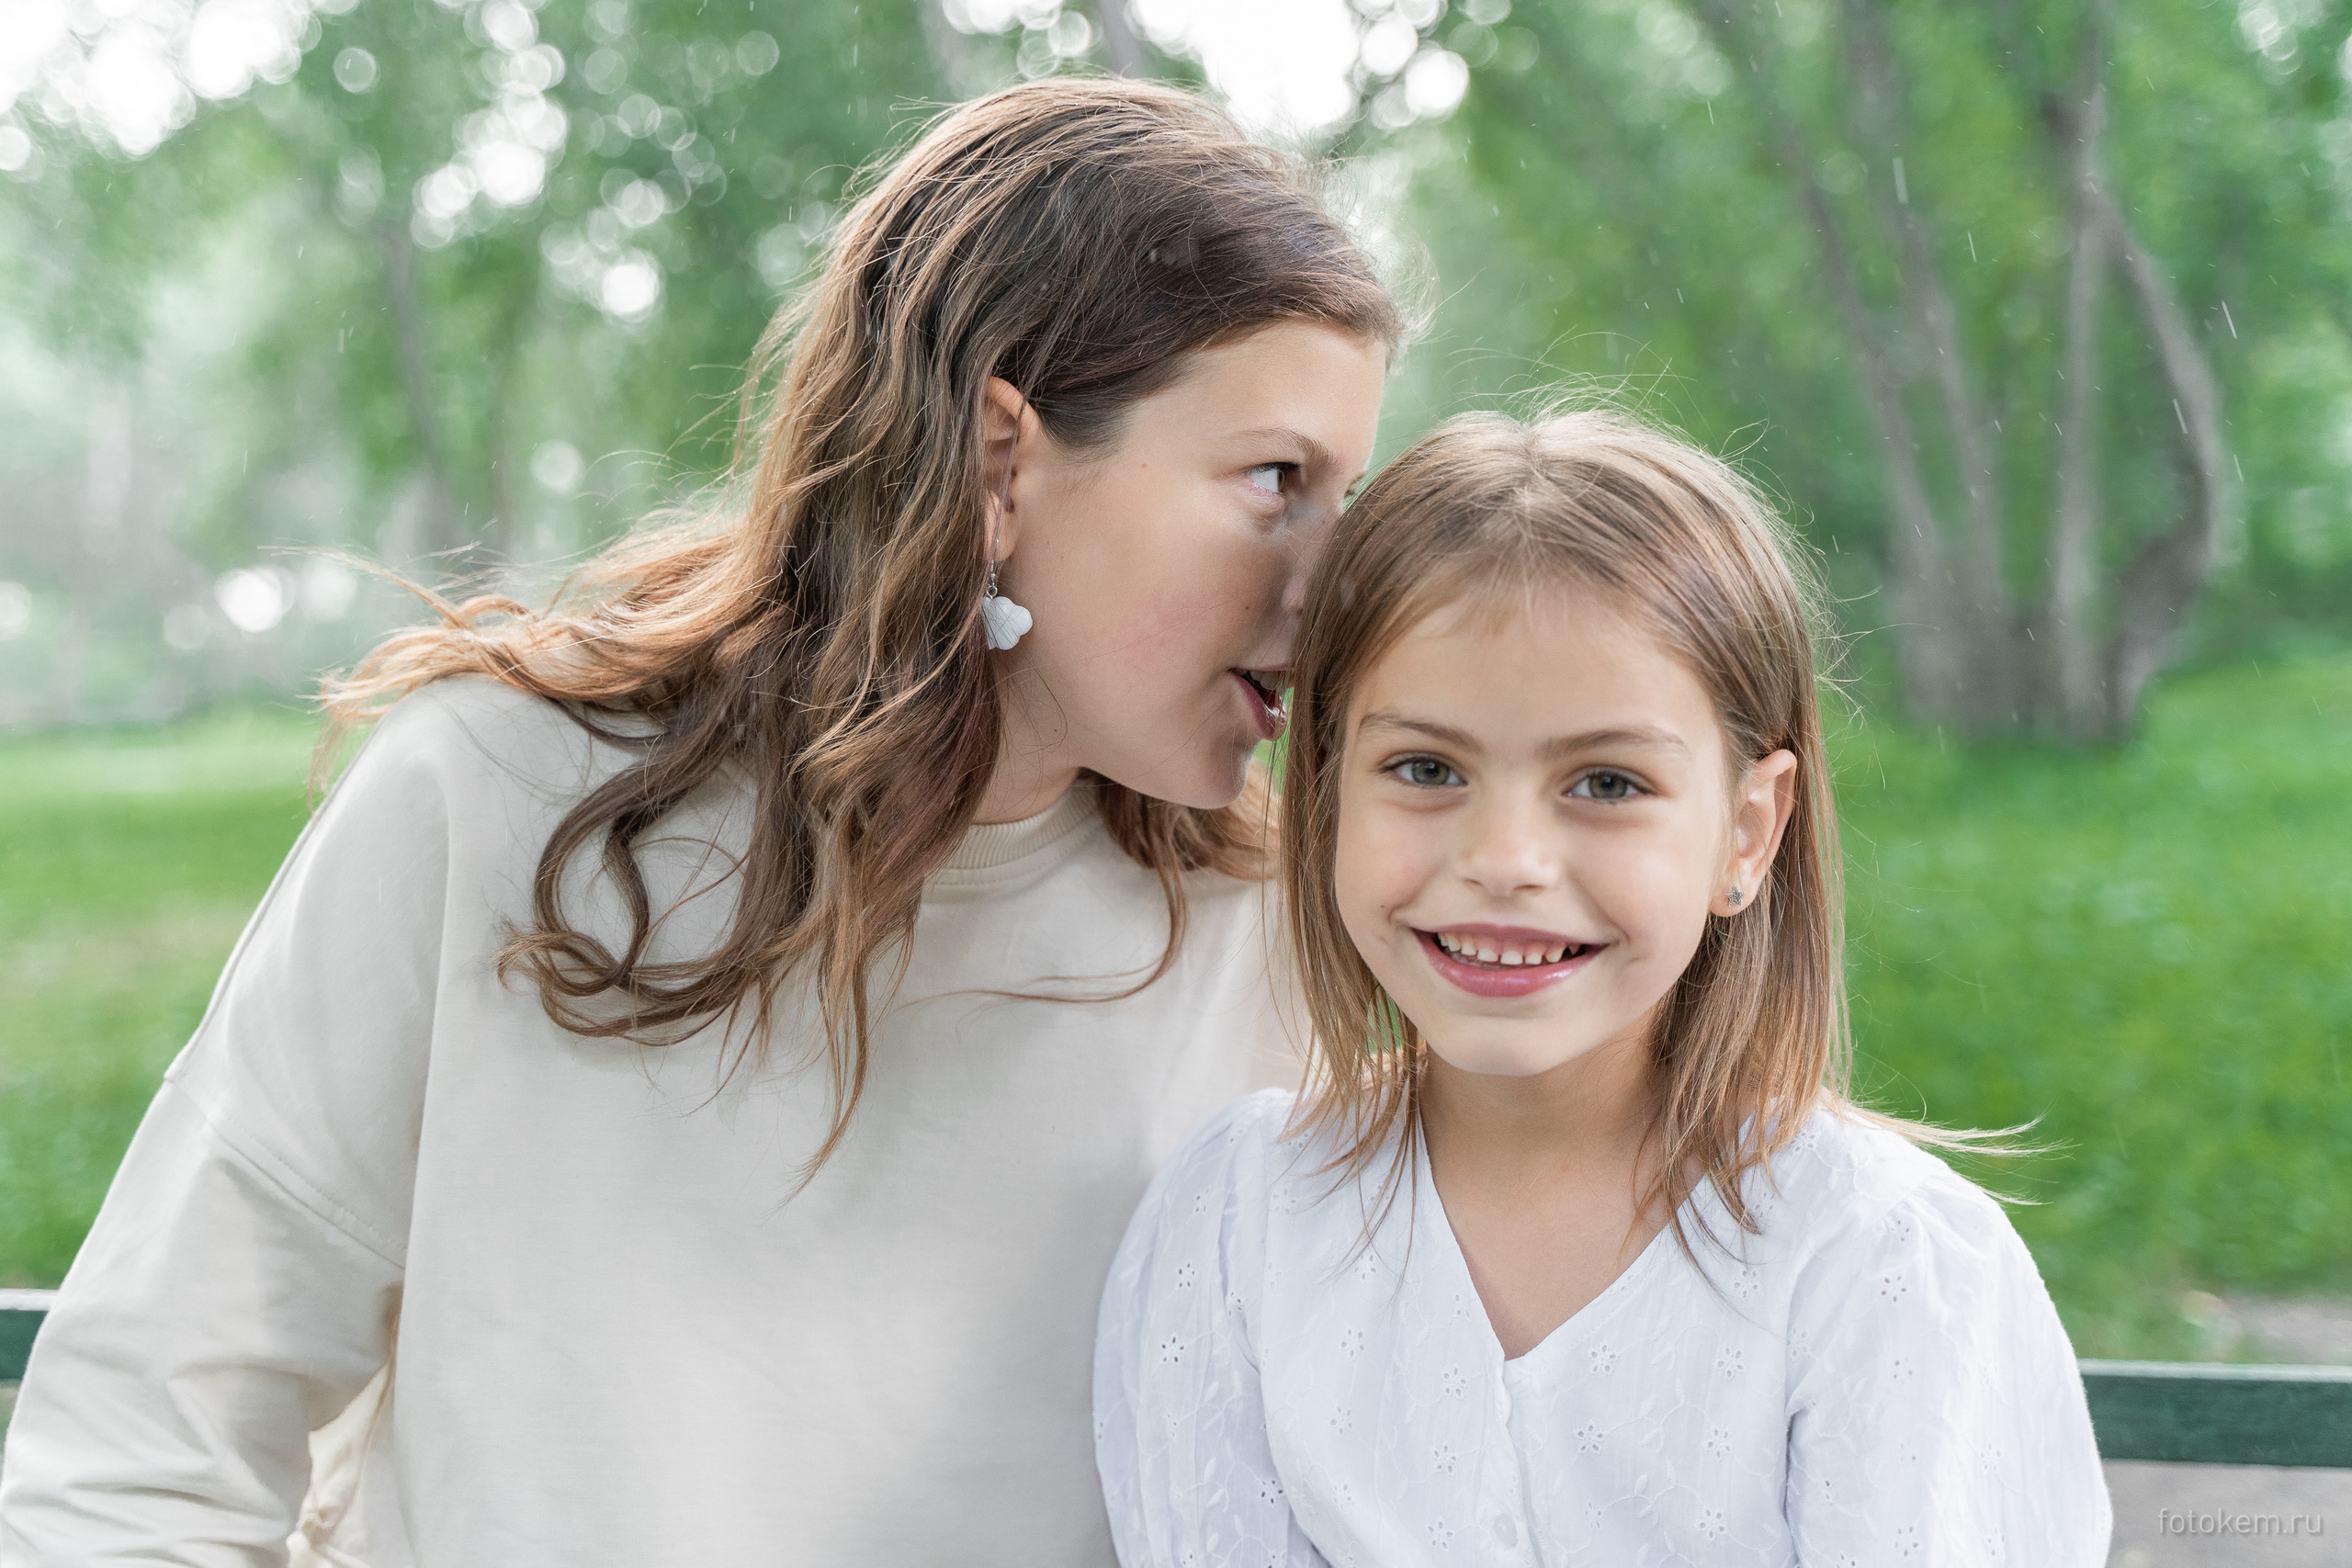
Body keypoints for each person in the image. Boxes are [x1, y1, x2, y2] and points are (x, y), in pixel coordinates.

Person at [0, 79, 1396, 1564]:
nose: (1337, 581)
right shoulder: (491, 796)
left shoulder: (1263, 935)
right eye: (1274, 482)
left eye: (1349, 494)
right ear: (1004, 462)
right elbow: (142, 1454)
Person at [1095, 411, 2112, 1564]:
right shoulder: (1238, 1224)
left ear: (1744, 831)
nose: (1506, 858)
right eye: (1425, 769)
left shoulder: (1882, 1266)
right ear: (1329, 792)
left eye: (1606, 782)